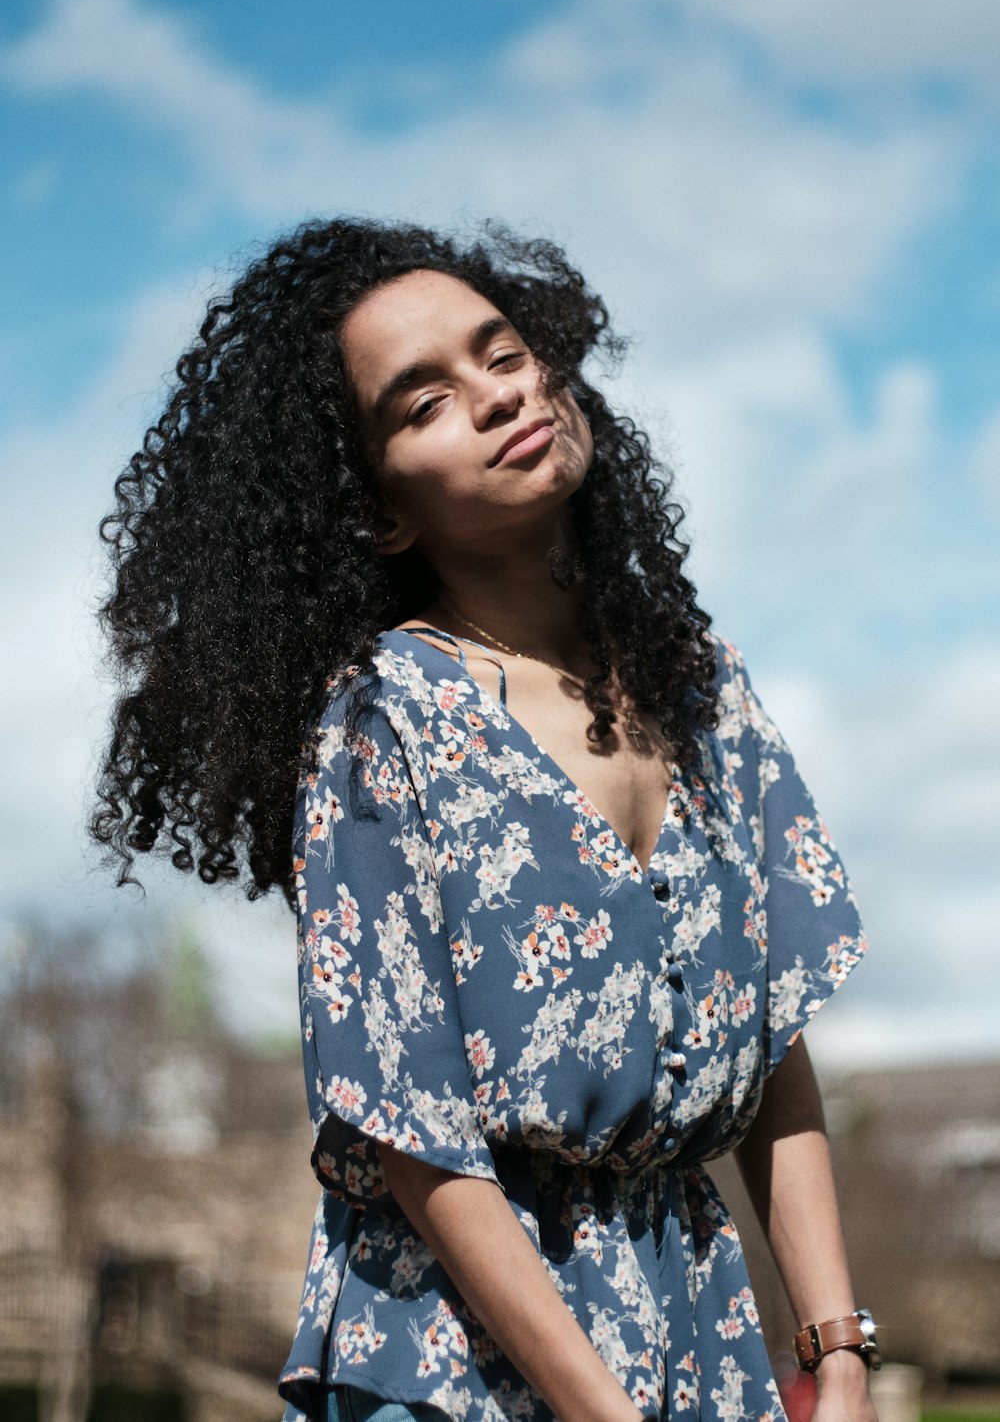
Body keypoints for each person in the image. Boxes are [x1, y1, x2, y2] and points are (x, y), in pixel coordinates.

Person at [92, 218, 879, 1422]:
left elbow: (769, 1049)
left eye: (500, 351)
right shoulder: (380, 724)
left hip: (704, 1343)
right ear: (379, 516)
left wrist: (835, 1354)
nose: (494, 394)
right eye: (422, 402)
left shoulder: (699, 681)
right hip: (464, 1362)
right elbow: (417, 1138)